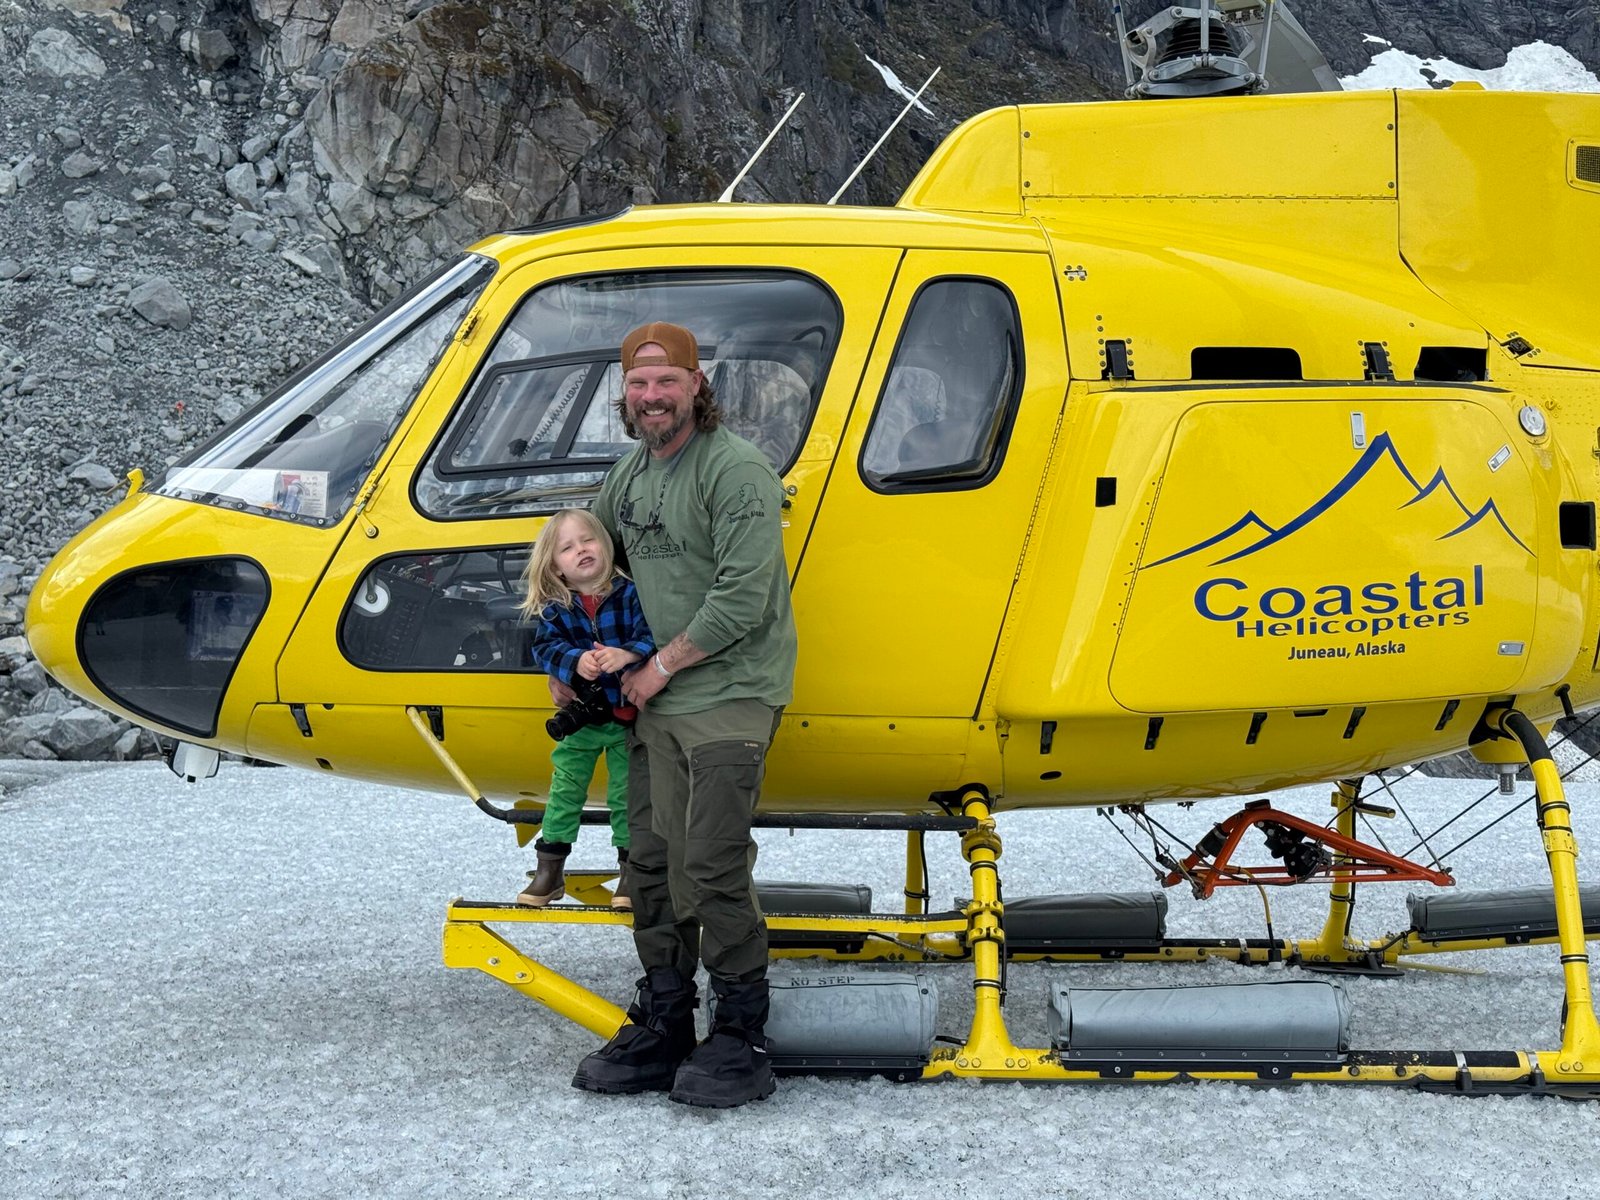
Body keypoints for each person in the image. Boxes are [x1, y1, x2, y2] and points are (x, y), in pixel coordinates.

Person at [569, 321, 796, 1109]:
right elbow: (589, 561)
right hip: (653, 705)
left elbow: (745, 595)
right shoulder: (630, 475)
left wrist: (659, 664)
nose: (653, 396)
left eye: (668, 381)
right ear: (625, 396)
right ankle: (667, 1017)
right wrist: (574, 653)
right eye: (639, 384)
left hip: (727, 696)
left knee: (711, 865)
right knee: (652, 865)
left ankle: (742, 1031)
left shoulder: (735, 470)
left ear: (698, 386)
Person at [520, 508, 654, 910]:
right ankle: (550, 868)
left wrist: (628, 653)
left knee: (625, 796)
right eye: (567, 548)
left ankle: (628, 873)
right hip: (582, 718)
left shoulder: (630, 593)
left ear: (607, 546)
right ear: (556, 568)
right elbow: (544, 648)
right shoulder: (557, 608)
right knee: (565, 791)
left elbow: (651, 635)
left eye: (588, 540)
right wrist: (575, 661)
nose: (581, 550)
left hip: (623, 717)